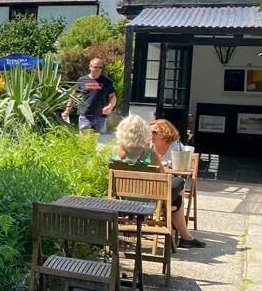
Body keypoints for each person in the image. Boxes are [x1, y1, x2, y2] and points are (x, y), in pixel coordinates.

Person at [112, 115, 204, 248]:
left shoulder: (114, 151)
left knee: (176, 191)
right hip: (146, 202)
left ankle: (186, 237)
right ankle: (186, 237)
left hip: (122, 200)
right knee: (177, 187)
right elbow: (163, 180)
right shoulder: (149, 153)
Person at [63, 57, 116, 133]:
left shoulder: (107, 81)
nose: (97, 69)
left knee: (99, 141)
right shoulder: (82, 80)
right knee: (85, 141)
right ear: (90, 67)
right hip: (85, 116)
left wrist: (110, 107)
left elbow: (113, 97)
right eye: (95, 67)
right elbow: (73, 96)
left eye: (100, 67)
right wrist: (67, 110)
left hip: (101, 117)